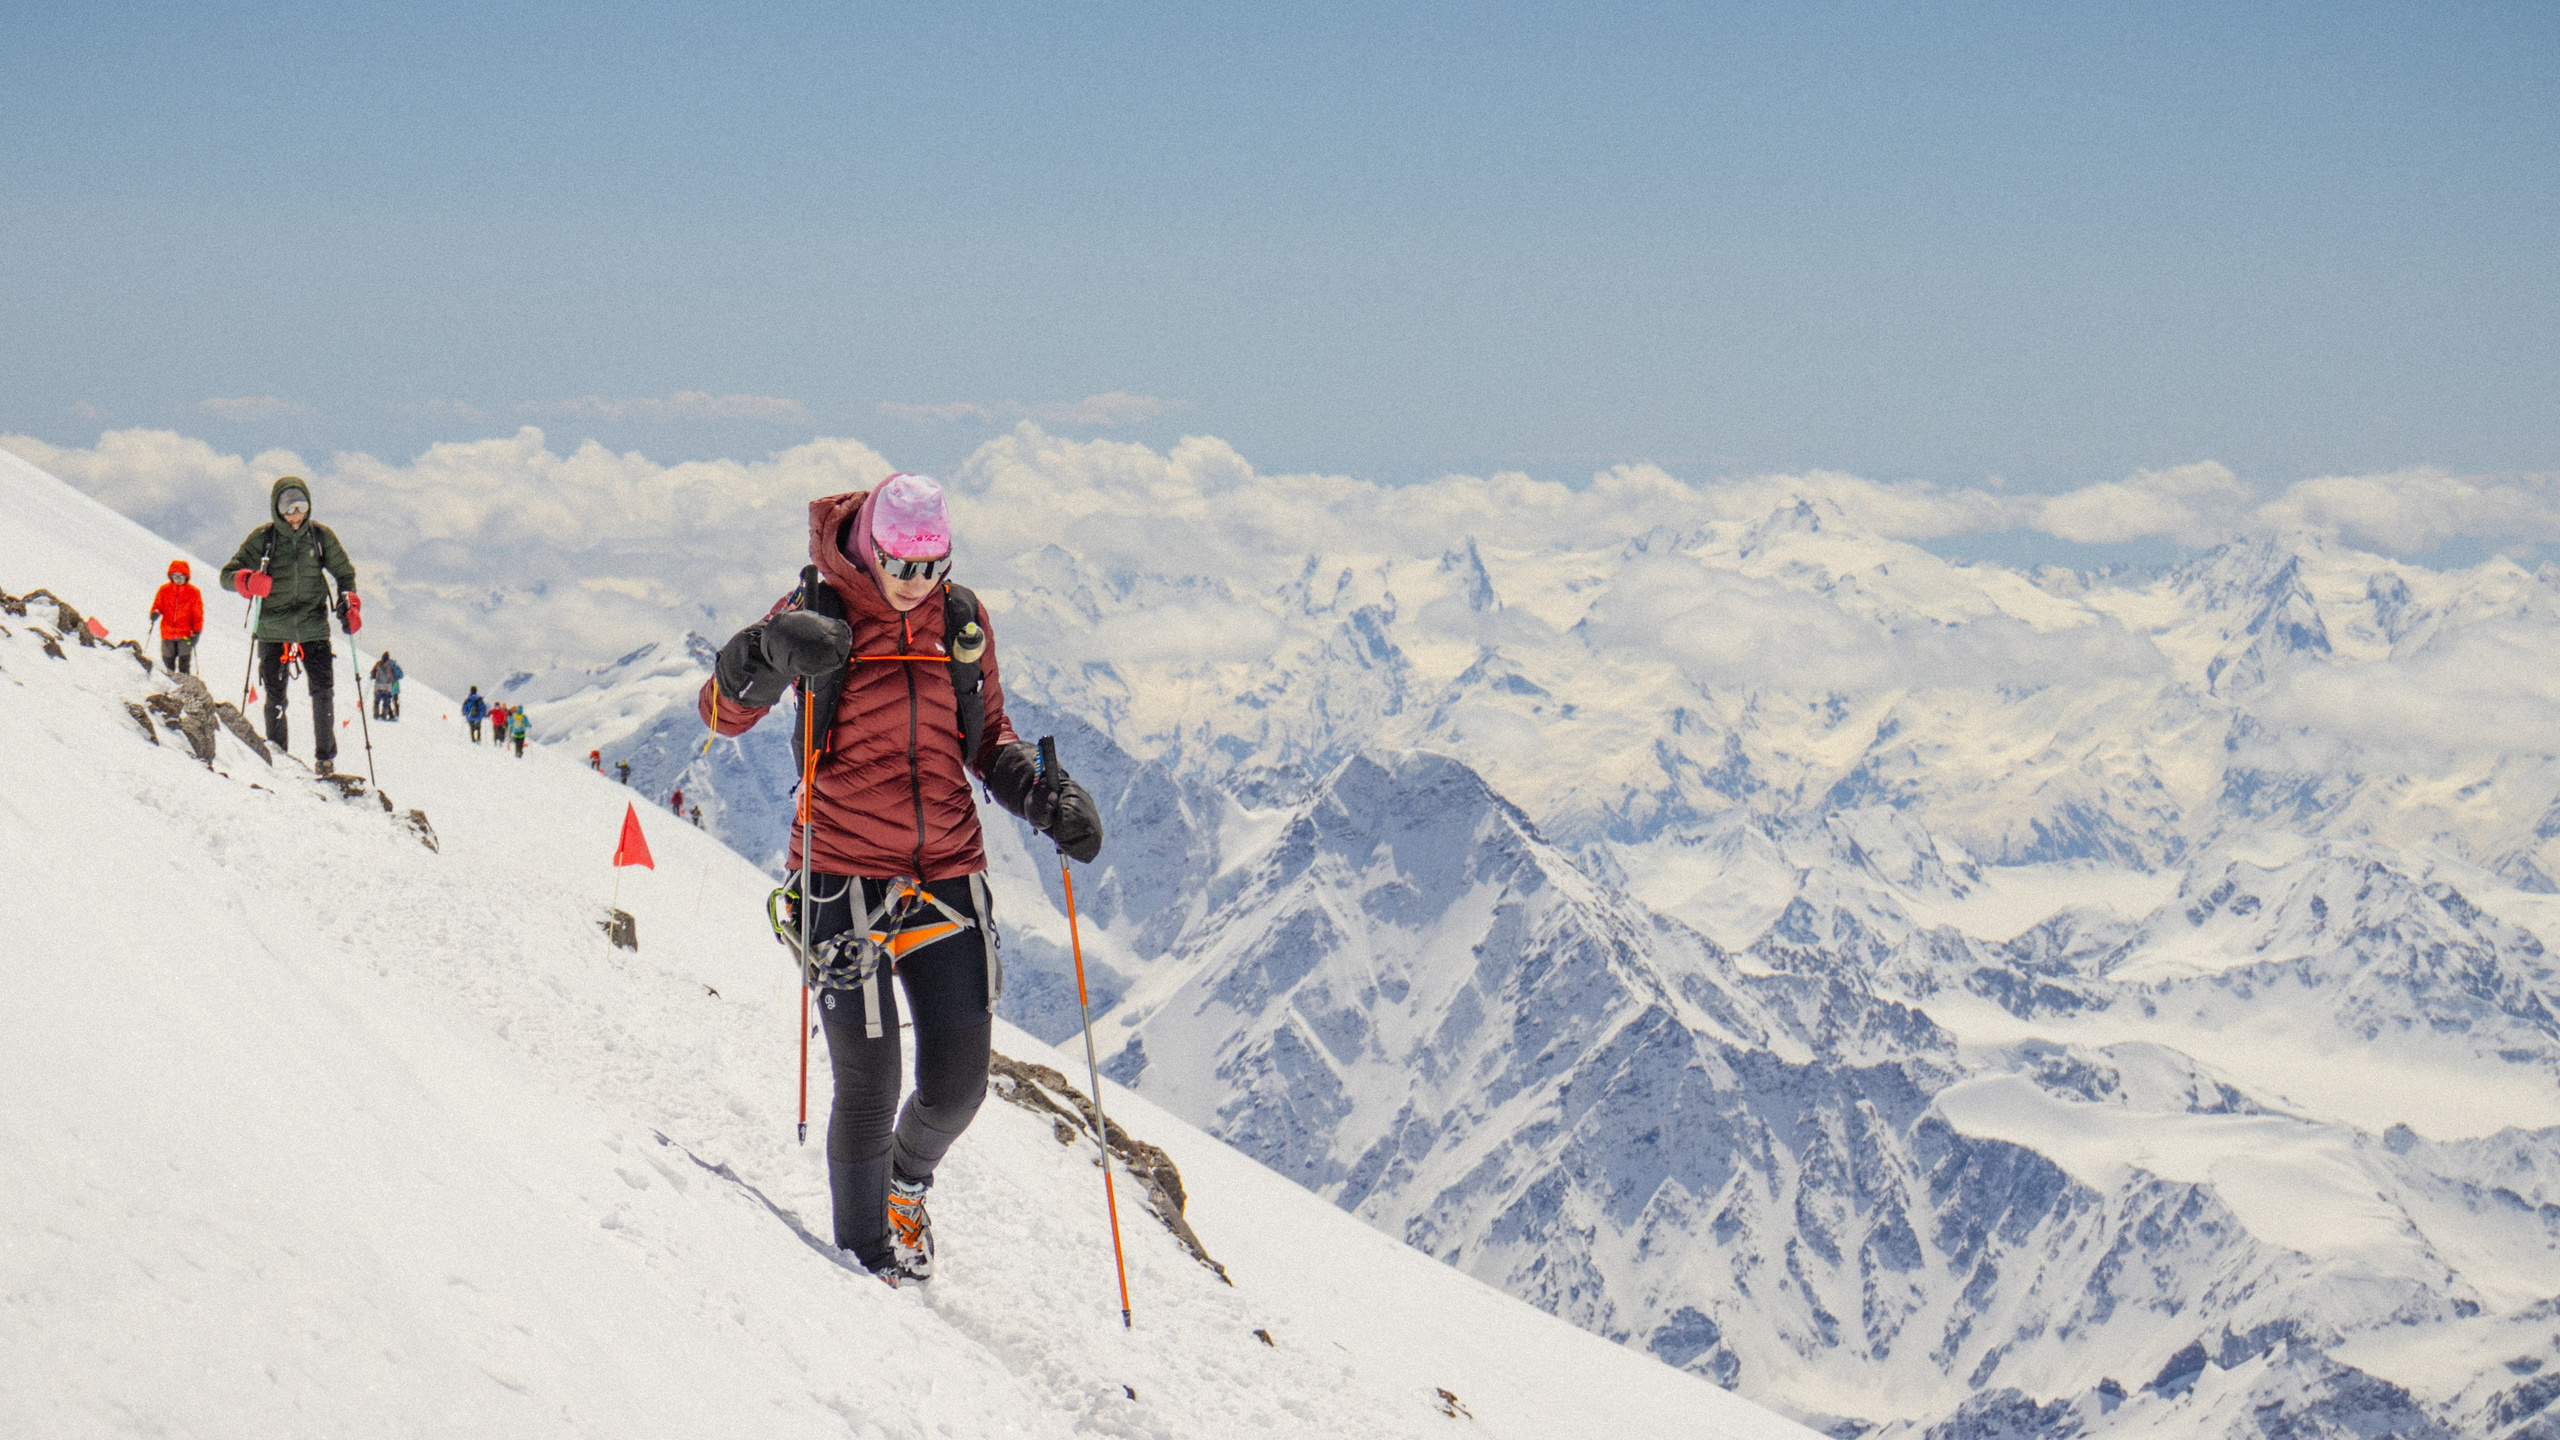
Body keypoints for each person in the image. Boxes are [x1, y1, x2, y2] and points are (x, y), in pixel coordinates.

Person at [698, 473, 1100, 1286]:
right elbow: (719, 712)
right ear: (870, 546)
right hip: (840, 871)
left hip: (948, 869)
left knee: (957, 1089)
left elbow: (988, 740)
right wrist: (766, 653)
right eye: (900, 565)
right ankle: (866, 1270)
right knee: (871, 1082)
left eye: (933, 566)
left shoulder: (962, 621)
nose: (916, 585)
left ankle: (906, 1187)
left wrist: (1041, 795)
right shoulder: (818, 610)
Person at [220, 477, 359, 773]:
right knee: (275, 695)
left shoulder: (320, 537)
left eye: (301, 506)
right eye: (288, 507)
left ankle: (324, 759)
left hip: (313, 626)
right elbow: (226, 575)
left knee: (323, 691)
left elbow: (344, 573)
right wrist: (246, 580)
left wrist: (349, 603)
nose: (295, 515)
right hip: (273, 628)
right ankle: (278, 756)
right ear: (276, 508)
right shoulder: (264, 538)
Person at [147, 559, 204, 674]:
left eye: (181, 577)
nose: (178, 580)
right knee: (168, 665)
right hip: (167, 633)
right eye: (175, 576)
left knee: (184, 664)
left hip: (185, 635)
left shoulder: (193, 592)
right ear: (171, 576)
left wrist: (196, 631)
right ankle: (169, 687)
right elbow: (158, 605)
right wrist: (155, 612)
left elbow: (197, 614)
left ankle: (184, 686)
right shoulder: (164, 590)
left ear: (186, 577)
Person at [369, 652, 404, 721]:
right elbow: (400, 675)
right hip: (389, 686)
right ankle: (385, 716)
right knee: (387, 702)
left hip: (378, 686)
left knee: (377, 702)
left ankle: (376, 716)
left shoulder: (378, 664)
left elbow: (372, 674)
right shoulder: (392, 665)